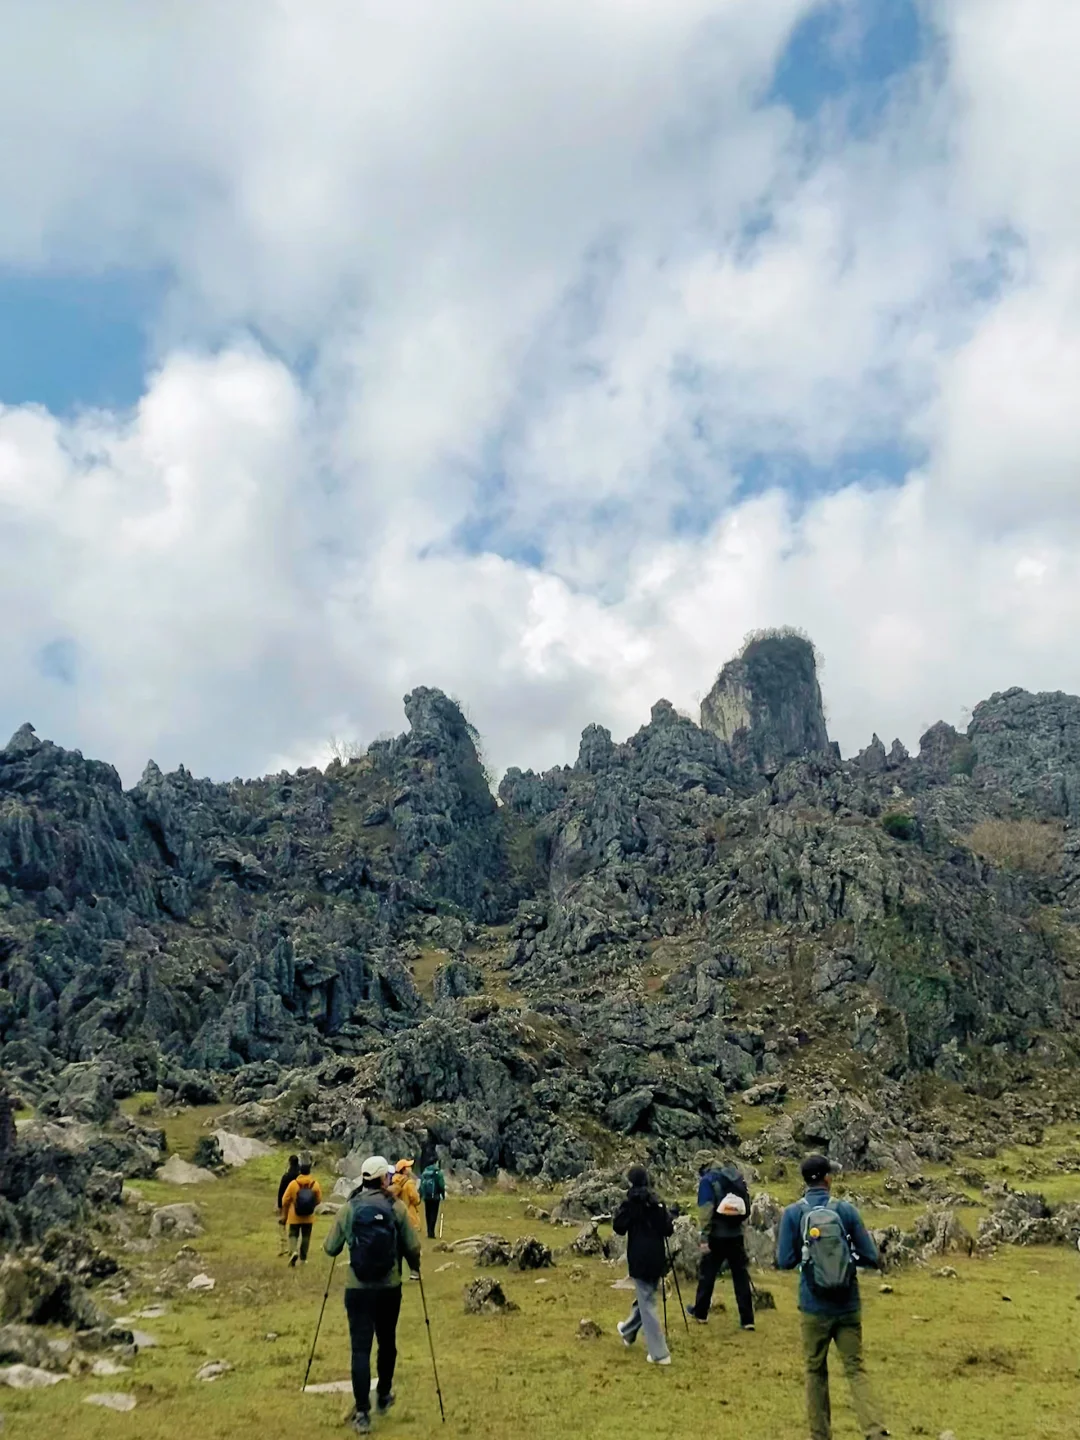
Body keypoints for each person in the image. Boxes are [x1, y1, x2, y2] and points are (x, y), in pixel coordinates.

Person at [776, 1154, 890, 1440]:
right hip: (848, 1303)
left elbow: (784, 1260)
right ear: (827, 1179)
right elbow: (870, 1255)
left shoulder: (793, 1213)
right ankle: (874, 1430)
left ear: (805, 1180)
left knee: (815, 1370)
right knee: (855, 1368)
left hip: (813, 1306)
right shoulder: (846, 1210)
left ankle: (820, 1435)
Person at [324, 1153, 423, 1436]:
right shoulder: (396, 1208)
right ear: (384, 1178)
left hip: (358, 1290)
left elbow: (330, 1248)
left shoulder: (350, 1208)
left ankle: (362, 1414)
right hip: (389, 1288)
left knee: (360, 1349)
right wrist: (414, 1265)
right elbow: (412, 1246)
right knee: (387, 1343)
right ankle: (383, 1395)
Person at [612, 1164, 675, 1366]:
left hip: (639, 1258)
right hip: (657, 1257)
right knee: (645, 1297)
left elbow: (618, 1227)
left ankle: (659, 1353)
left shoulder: (631, 1204)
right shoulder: (656, 1202)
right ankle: (627, 1331)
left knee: (647, 1303)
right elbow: (668, 1229)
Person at [687, 1158, 754, 1329]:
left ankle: (700, 1313)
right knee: (740, 1276)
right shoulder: (735, 1176)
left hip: (716, 1235)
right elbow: (747, 1205)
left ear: (702, 1167)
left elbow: (706, 1211)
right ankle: (747, 1320)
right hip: (736, 1235)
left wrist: (704, 1238)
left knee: (707, 1274)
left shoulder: (708, 1180)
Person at [280, 1152, 322, 1267]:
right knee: (306, 1236)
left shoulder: (294, 1184)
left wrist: (288, 1209)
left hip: (295, 1216)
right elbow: (318, 1200)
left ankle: (293, 1251)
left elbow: (285, 1200)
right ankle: (303, 1259)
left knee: (293, 1234)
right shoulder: (315, 1184)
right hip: (308, 1216)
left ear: (300, 1171)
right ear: (309, 1170)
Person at [390, 1159, 422, 1277]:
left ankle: (397, 1272)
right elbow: (416, 1199)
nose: (410, 1168)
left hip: (395, 1217)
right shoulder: (409, 1183)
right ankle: (414, 1271)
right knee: (410, 1245)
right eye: (408, 1166)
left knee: (397, 1246)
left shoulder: (393, 1182)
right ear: (404, 1170)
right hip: (409, 1216)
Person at [277, 1153, 300, 1254]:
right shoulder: (300, 1176)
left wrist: (279, 1205)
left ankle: (284, 1246)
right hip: (298, 1203)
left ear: (290, 1163)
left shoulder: (286, 1176)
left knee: (282, 1223)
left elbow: (281, 1191)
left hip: (287, 1203)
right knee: (294, 1226)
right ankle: (293, 1248)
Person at [418, 1159, 447, 1239]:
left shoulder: (425, 1172)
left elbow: (421, 1185)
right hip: (435, 1197)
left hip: (427, 1197)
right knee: (434, 1214)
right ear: (435, 1162)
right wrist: (443, 1194)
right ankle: (432, 1233)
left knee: (427, 1213)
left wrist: (421, 1195)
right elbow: (441, 1185)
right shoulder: (438, 1172)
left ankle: (428, 1231)